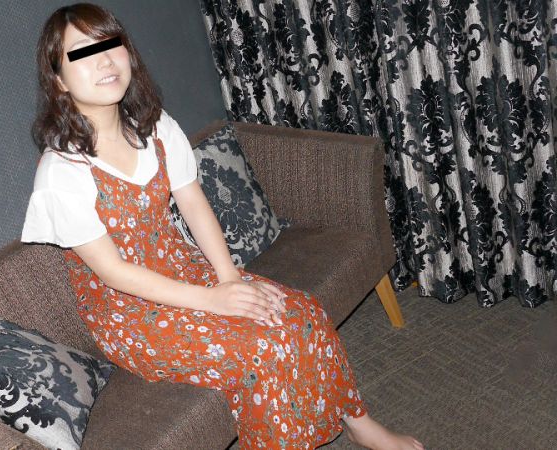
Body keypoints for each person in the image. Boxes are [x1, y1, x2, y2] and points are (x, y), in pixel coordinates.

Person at [21, 3, 425, 449]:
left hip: (184, 269)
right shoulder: (62, 172)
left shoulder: (154, 128)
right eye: (82, 52)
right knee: (263, 350)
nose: (103, 61)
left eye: (110, 45)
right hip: (128, 313)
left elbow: (194, 204)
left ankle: (361, 424)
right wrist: (215, 300)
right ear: (59, 80)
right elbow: (114, 273)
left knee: (300, 312)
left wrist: (229, 277)